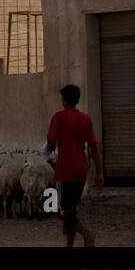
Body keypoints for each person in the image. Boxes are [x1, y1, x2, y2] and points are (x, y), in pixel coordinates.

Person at [42, 84, 103, 247]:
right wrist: (99, 173)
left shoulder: (58, 118)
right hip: (81, 169)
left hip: (65, 169)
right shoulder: (86, 119)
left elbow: (50, 143)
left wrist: (45, 152)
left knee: (62, 210)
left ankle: (86, 233)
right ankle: (70, 244)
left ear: (64, 100)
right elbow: (94, 147)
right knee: (72, 210)